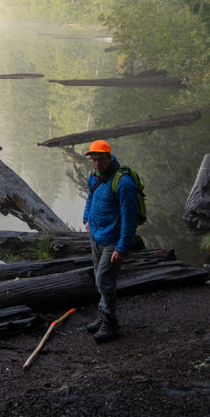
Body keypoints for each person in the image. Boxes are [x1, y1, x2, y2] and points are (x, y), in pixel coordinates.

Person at [82, 139, 139, 343]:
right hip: (96, 236)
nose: (96, 164)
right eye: (93, 160)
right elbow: (90, 196)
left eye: (100, 159)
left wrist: (122, 247)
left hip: (113, 241)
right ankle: (103, 313)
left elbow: (130, 218)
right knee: (99, 277)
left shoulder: (123, 182)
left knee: (103, 279)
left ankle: (111, 323)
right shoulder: (94, 175)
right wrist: (86, 218)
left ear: (109, 157)